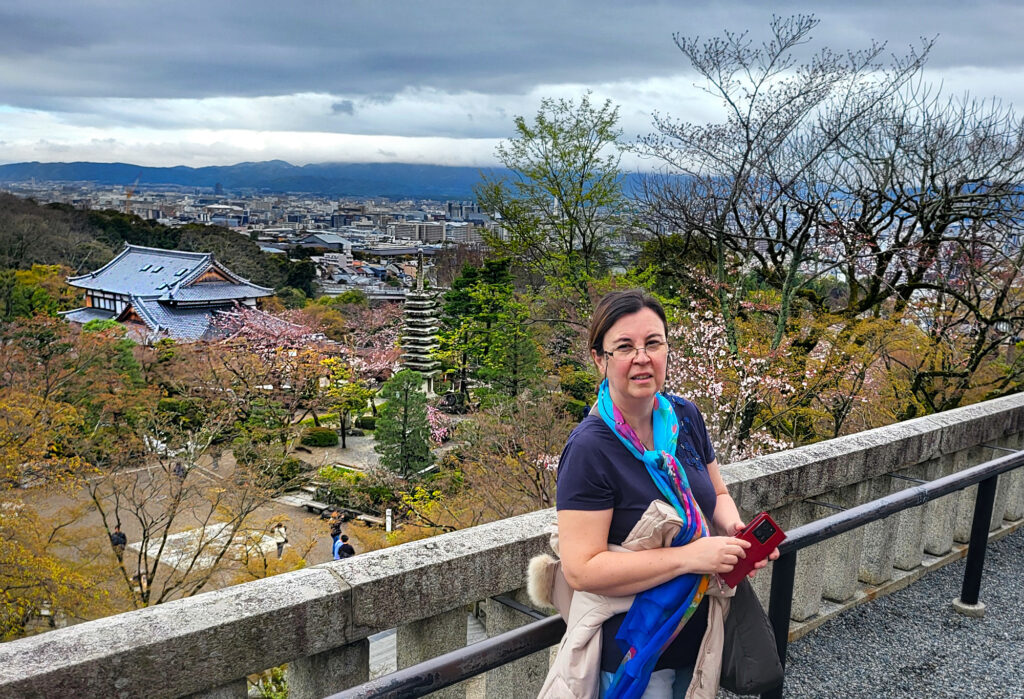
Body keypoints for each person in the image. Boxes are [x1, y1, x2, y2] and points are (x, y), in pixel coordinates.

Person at [545, 289, 778, 698]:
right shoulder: (590, 448)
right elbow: (581, 569)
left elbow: (717, 494)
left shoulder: (683, 417)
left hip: (701, 631)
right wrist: (691, 556)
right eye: (624, 347)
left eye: (653, 343)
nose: (642, 357)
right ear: (600, 359)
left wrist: (734, 529)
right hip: (637, 649)